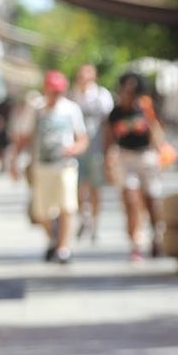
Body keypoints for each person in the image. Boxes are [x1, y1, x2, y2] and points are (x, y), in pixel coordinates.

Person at [9, 70, 88, 264]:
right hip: (42, 166)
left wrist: (74, 149)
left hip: (65, 166)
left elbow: (82, 138)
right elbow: (23, 137)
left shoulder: (71, 109)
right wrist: (14, 161)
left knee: (67, 206)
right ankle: (53, 236)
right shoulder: (36, 109)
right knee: (41, 212)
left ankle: (63, 248)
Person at [104, 72, 166, 261]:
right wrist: (107, 161)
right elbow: (108, 138)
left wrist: (160, 153)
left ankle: (157, 235)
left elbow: (156, 129)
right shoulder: (115, 113)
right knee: (130, 200)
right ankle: (136, 242)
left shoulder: (146, 108)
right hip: (125, 156)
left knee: (151, 199)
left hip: (146, 155)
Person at [69, 63, 114, 243]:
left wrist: (108, 149)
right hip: (78, 148)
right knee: (78, 186)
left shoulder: (102, 96)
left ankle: (95, 223)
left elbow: (108, 124)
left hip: (96, 147)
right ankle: (84, 218)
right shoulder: (73, 96)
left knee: (95, 187)